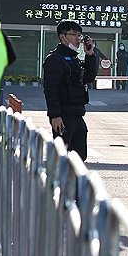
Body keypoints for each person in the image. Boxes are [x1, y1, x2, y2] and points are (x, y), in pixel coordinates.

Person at [42, 20, 98, 161]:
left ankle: (73, 183)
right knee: (61, 158)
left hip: (77, 114)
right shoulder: (55, 59)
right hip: (63, 115)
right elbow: (51, 90)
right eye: (74, 35)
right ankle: (57, 183)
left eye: (79, 35)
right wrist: (55, 115)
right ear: (62, 37)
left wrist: (89, 55)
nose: (78, 39)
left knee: (79, 157)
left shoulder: (74, 59)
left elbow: (88, 77)